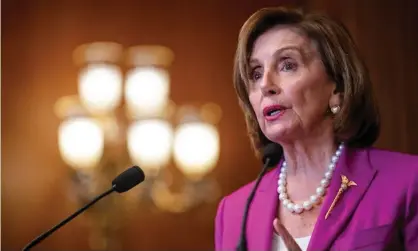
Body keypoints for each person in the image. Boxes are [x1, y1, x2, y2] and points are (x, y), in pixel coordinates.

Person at [214, 6, 418, 251]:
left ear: (336, 88)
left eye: (287, 65)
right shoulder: (234, 212)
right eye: (256, 74)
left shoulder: (406, 182)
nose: (265, 84)